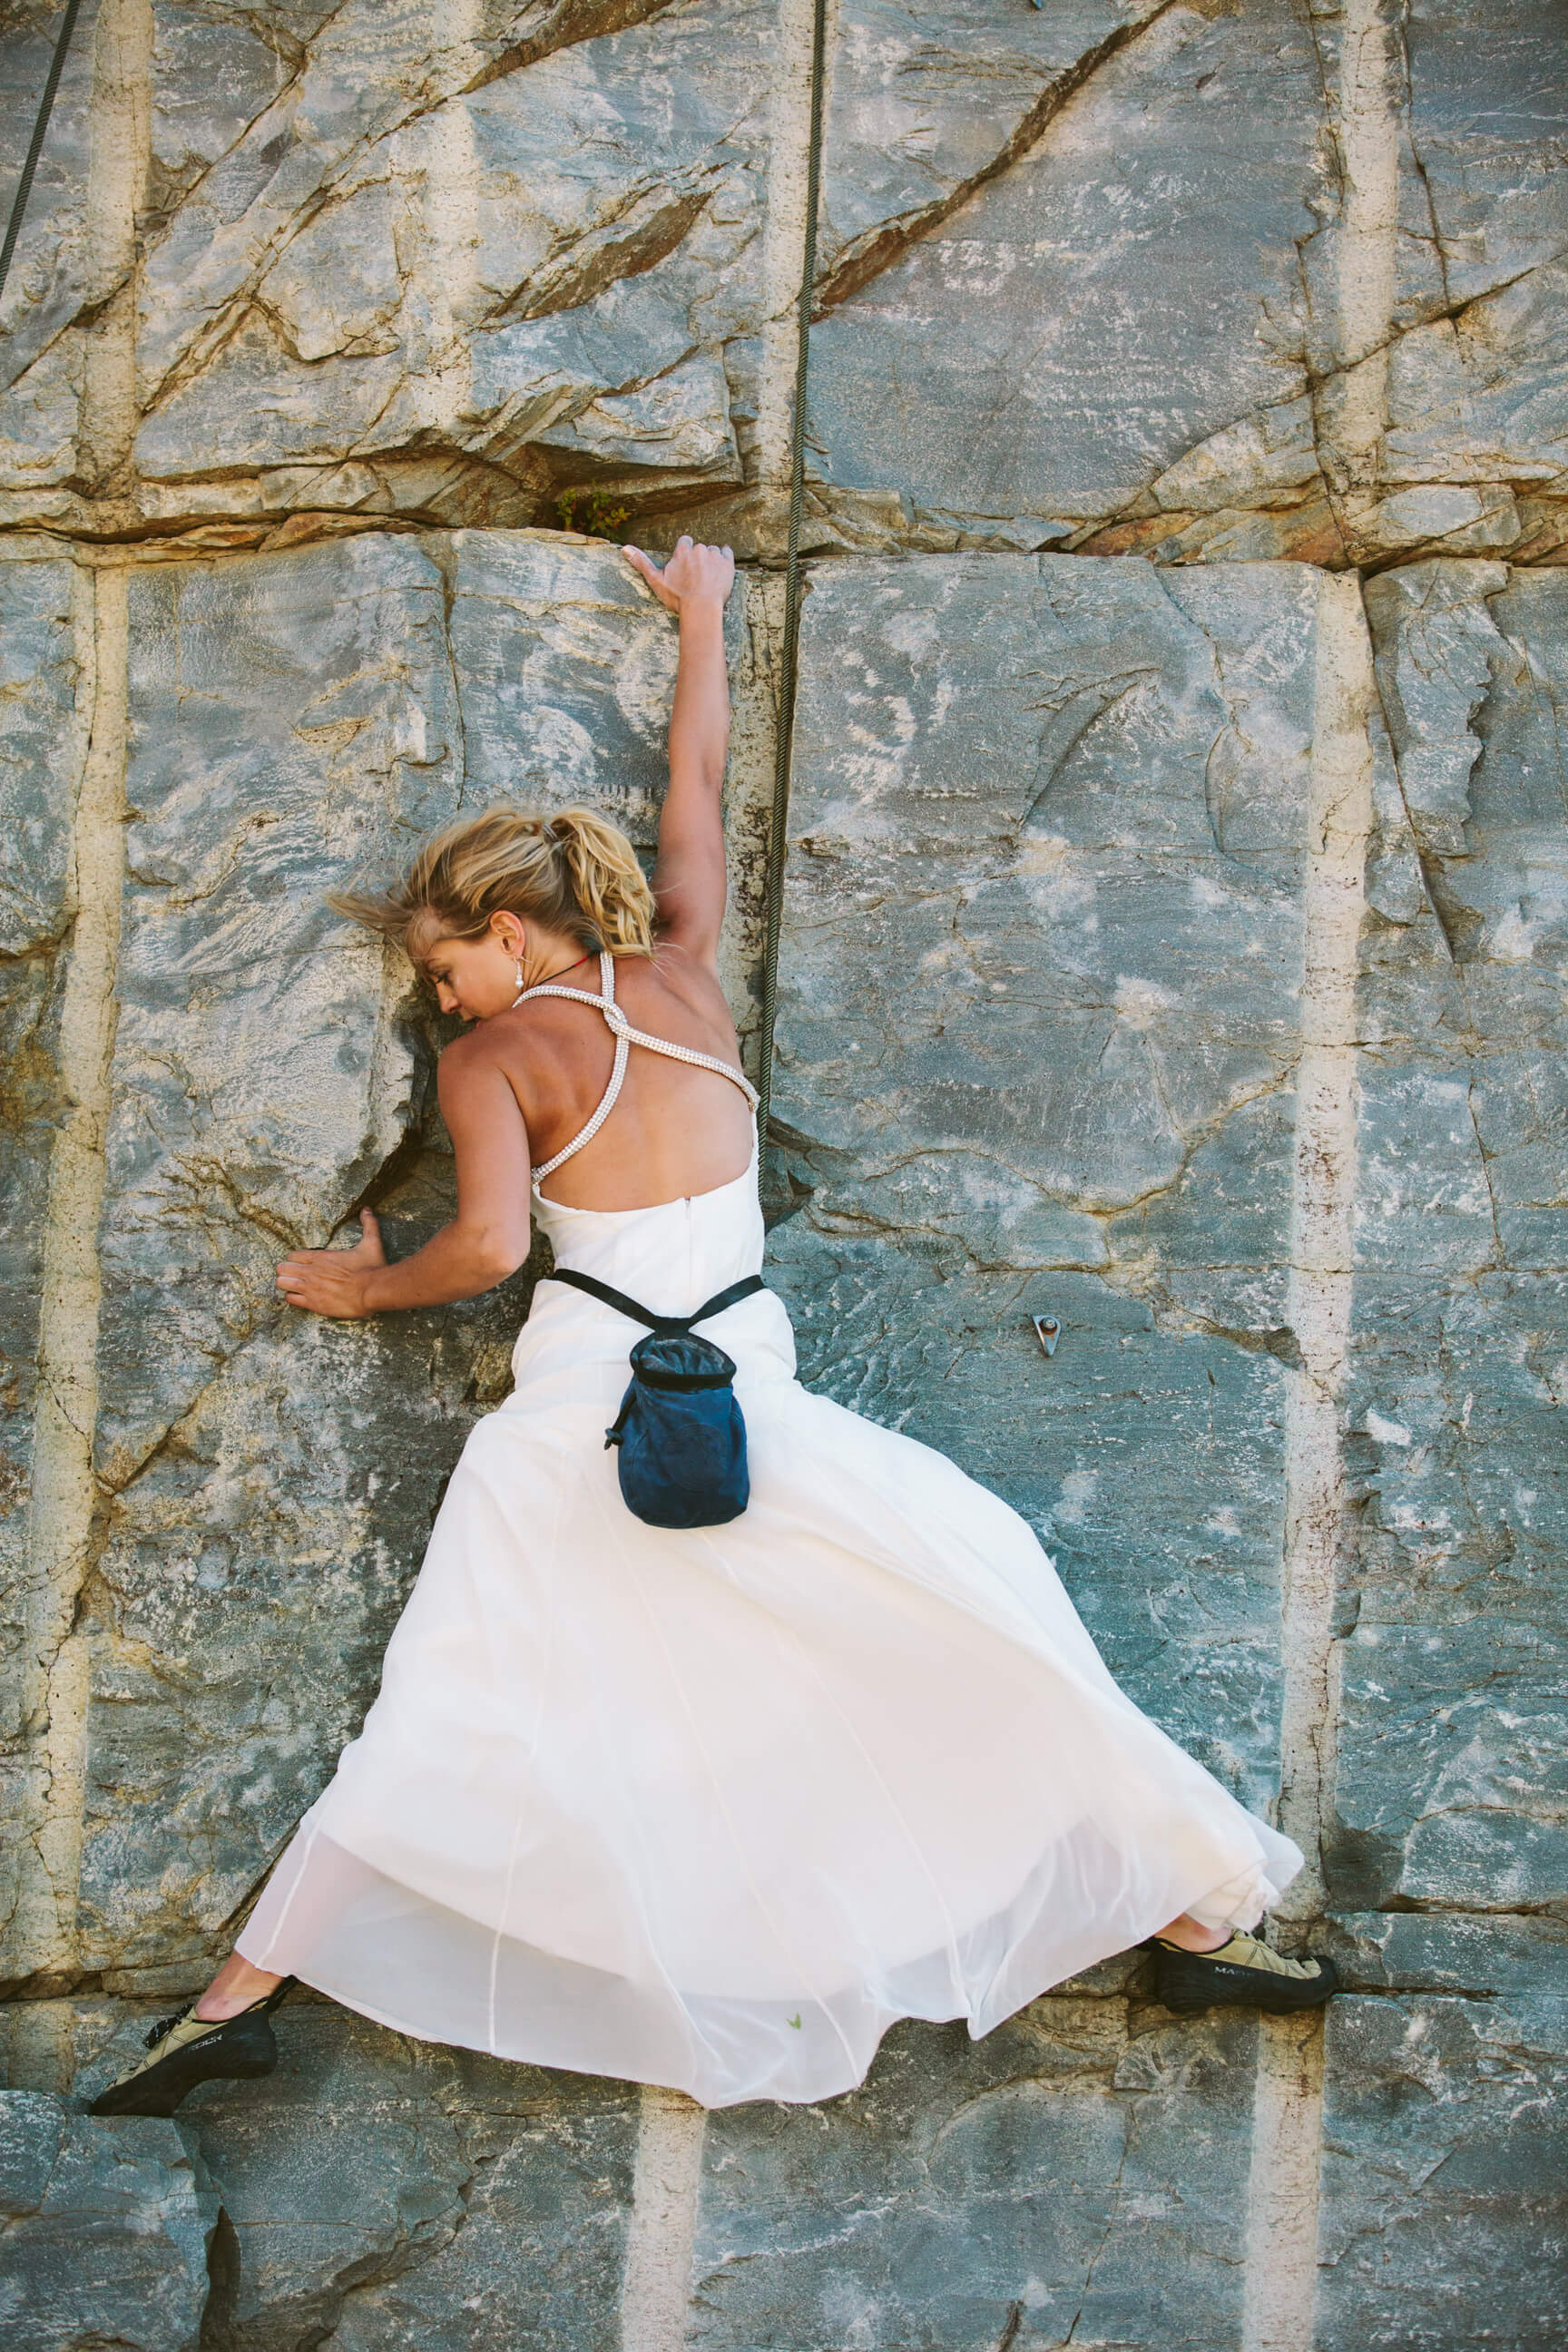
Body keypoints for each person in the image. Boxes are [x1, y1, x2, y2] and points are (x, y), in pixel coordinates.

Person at [92, 537, 1336, 2121]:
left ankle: (231, 2007)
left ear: (508, 926)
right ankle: (1192, 1919)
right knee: (946, 1642)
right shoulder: (688, 982)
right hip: (754, 1399)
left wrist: (354, 1282)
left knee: (457, 1712)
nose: (442, 1003)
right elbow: (697, 782)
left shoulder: (500, 1061)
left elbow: (481, 1248)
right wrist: (709, 617)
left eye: (445, 966)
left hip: (581, 1432)